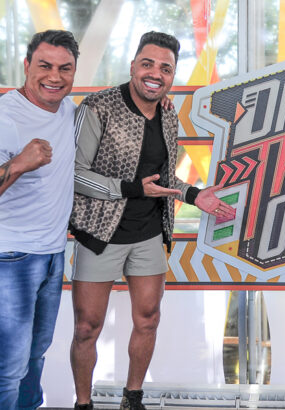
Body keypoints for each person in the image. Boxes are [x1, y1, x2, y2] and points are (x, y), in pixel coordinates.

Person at [69, 31, 235, 410]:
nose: (155, 73)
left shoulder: (168, 112)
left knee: (148, 318)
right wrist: (129, 188)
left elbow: (162, 180)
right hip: (99, 233)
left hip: (148, 233)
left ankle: (133, 397)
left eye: (166, 68)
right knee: (85, 328)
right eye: (148, 63)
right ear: (133, 66)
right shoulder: (97, 107)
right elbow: (73, 173)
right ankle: (83, 403)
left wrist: (196, 195)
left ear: (172, 75)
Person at [0, 30, 79, 410]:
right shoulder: (5, 115)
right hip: (10, 257)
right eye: (44, 66)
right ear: (27, 66)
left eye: (65, 68)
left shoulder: (68, 110)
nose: (55, 76)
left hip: (52, 255)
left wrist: (157, 105)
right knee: (8, 366)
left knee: (35, 356)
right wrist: (17, 164)